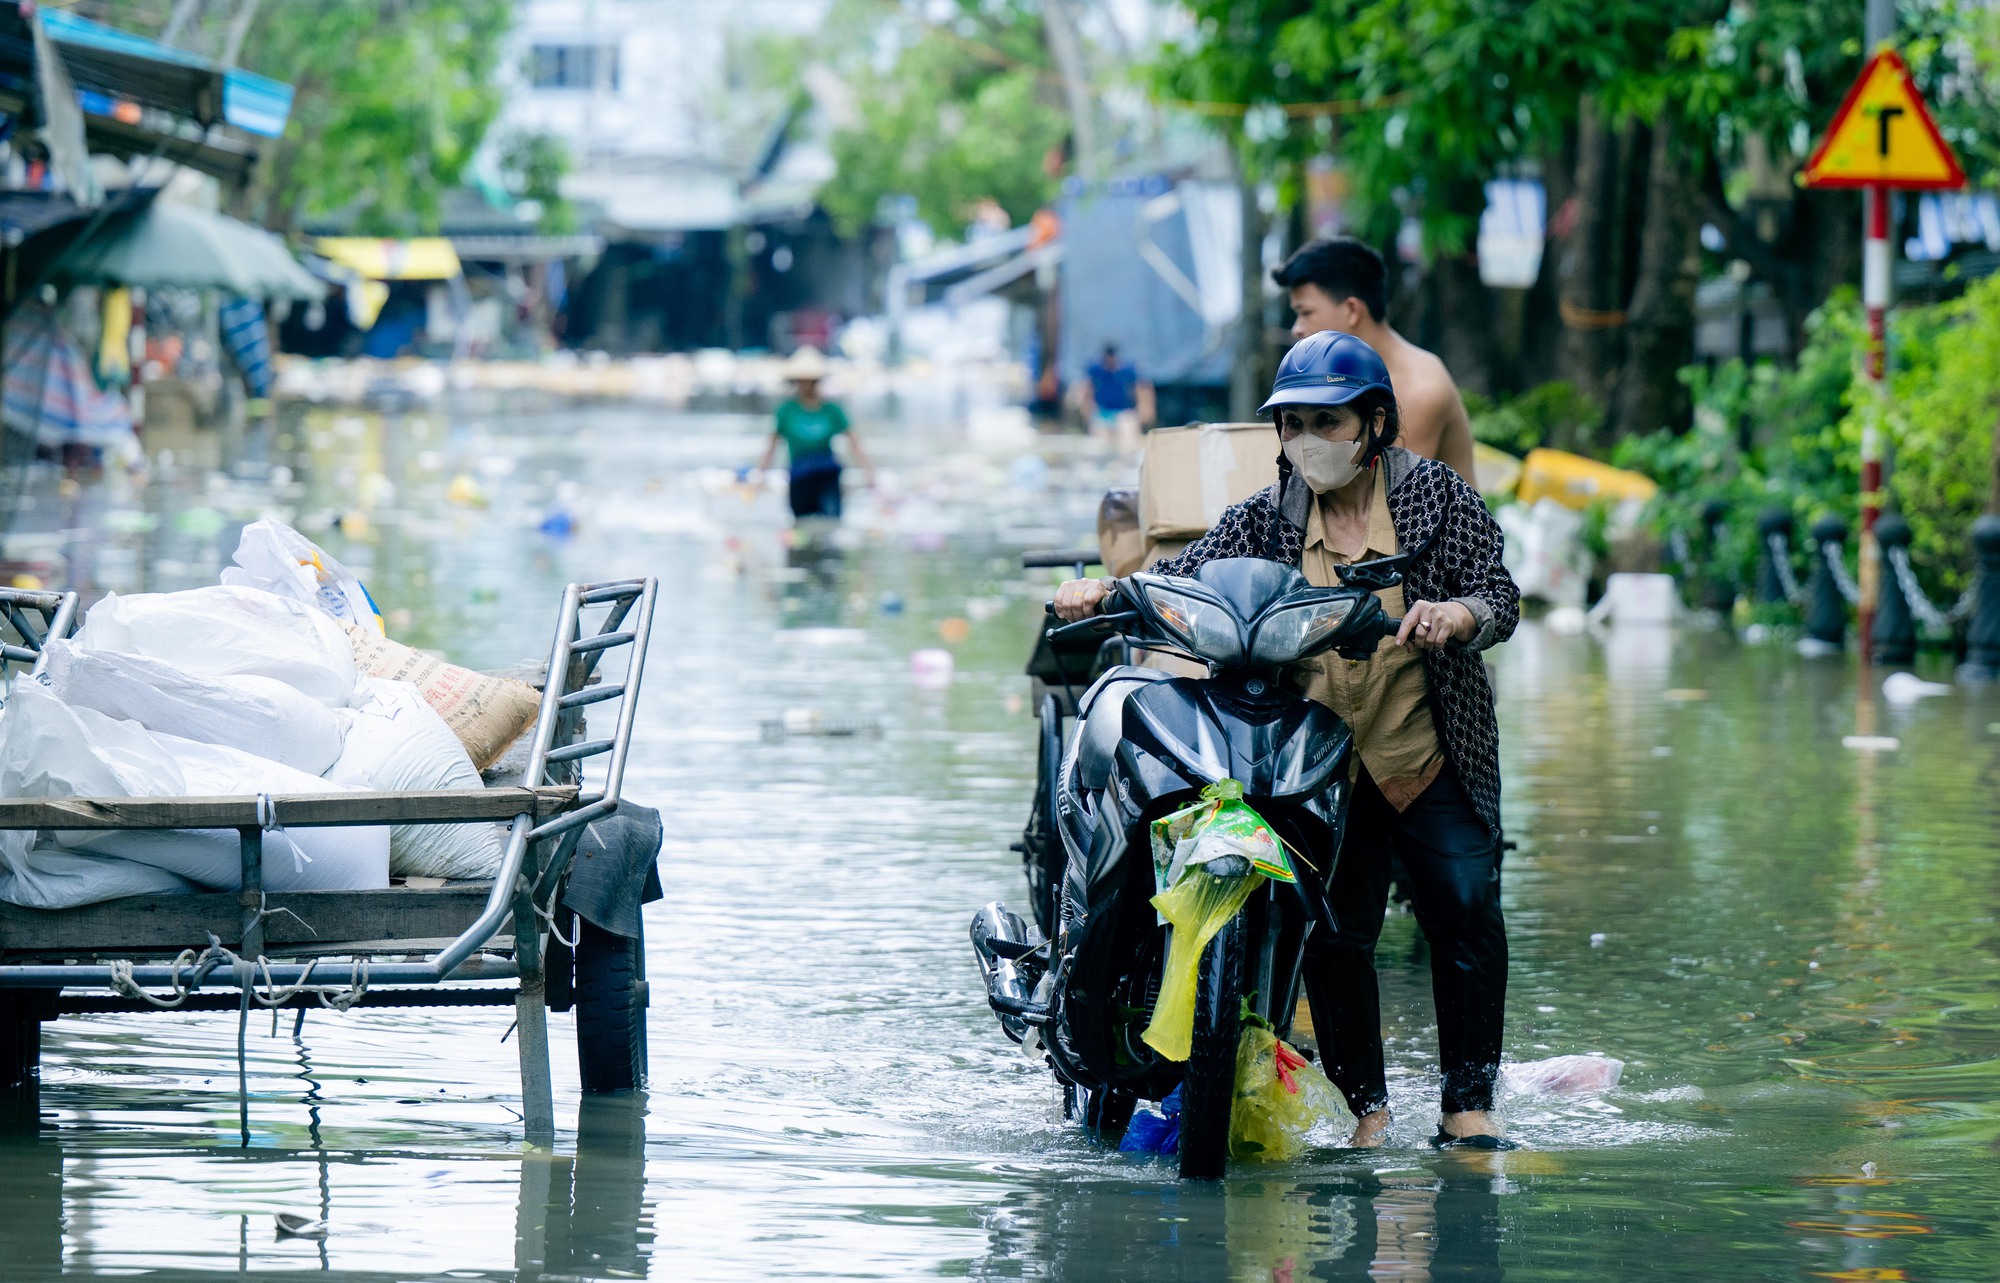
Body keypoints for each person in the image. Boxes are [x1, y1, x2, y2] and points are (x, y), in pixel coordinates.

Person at [1052, 331, 1521, 1150]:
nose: (1308, 440)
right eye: (1293, 422)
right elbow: (1185, 579)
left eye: (1326, 422)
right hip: (1320, 761)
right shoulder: (1263, 519)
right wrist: (1104, 592)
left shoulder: (1437, 498)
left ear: (1375, 425)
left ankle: (1466, 1104)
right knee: (1335, 936)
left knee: (1468, 911)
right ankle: (1367, 1110)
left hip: (1427, 751)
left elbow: (1501, 593)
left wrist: (1460, 614)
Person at [1272, 237, 1479, 486]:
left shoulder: (1419, 388)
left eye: (1305, 312)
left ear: (1352, 310)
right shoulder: (1338, 381)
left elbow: (1386, 500)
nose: (1296, 329)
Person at [757, 346, 875, 521]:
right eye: (802, 381)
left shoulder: (832, 410)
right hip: (799, 475)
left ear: (818, 381)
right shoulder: (787, 411)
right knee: (802, 524)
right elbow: (771, 446)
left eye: (811, 381)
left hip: (827, 475)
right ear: (795, 382)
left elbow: (854, 442)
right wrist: (761, 476)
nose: (806, 386)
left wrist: (868, 472)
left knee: (831, 522)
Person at [1078, 343, 1154, 446]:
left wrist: (1145, 407)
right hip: (1103, 413)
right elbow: (1088, 388)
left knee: (1127, 437)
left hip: (1124, 412)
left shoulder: (1127, 370)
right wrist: (1087, 408)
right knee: (1100, 440)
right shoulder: (1096, 370)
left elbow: (1141, 388)